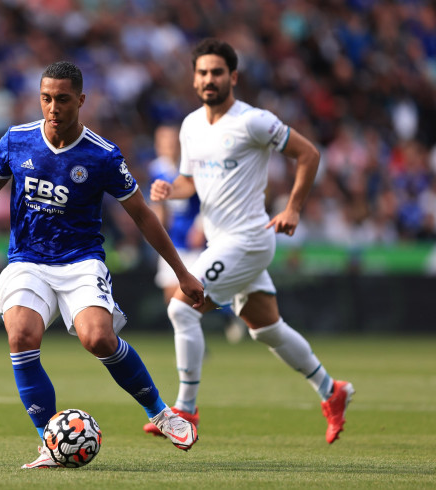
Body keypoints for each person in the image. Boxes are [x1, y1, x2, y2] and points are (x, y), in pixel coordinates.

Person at [0, 61, 206, 468]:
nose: (52, 107)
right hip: (27, 260)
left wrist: (182, 273)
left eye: (61, 99)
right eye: (45, 98)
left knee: (98, 339)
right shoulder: (17, 140)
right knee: (21, 335)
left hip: (81, 262)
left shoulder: (103, 155)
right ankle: (50, 443)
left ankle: (161, 412)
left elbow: (143, 215)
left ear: (81, 100)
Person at [142, 38, 354, 444]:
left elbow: (308, 154)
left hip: (249, 239)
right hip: (222, 242)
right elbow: (190, 181)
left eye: (217, 72)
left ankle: (185, 409)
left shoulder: (253, 121)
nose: (209, 79)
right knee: (266, 328)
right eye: (202, 72)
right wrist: (173, 190)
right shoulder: (189, 126)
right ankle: (332, 390)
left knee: (181, 309)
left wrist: (292, 208)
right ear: (194, 78)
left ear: (233, 77)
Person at [147, 124, 246, 343]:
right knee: (171, 297)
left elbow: (207, 199)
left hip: (193, 240)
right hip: (172, 240)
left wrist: (200, 227)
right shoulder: (157, 169)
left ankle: (227, 314)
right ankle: (208, 332)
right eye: (164, 142)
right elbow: (159, 204)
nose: (169, 147)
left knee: (192, 296)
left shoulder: (193, 168)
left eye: (172, 142)